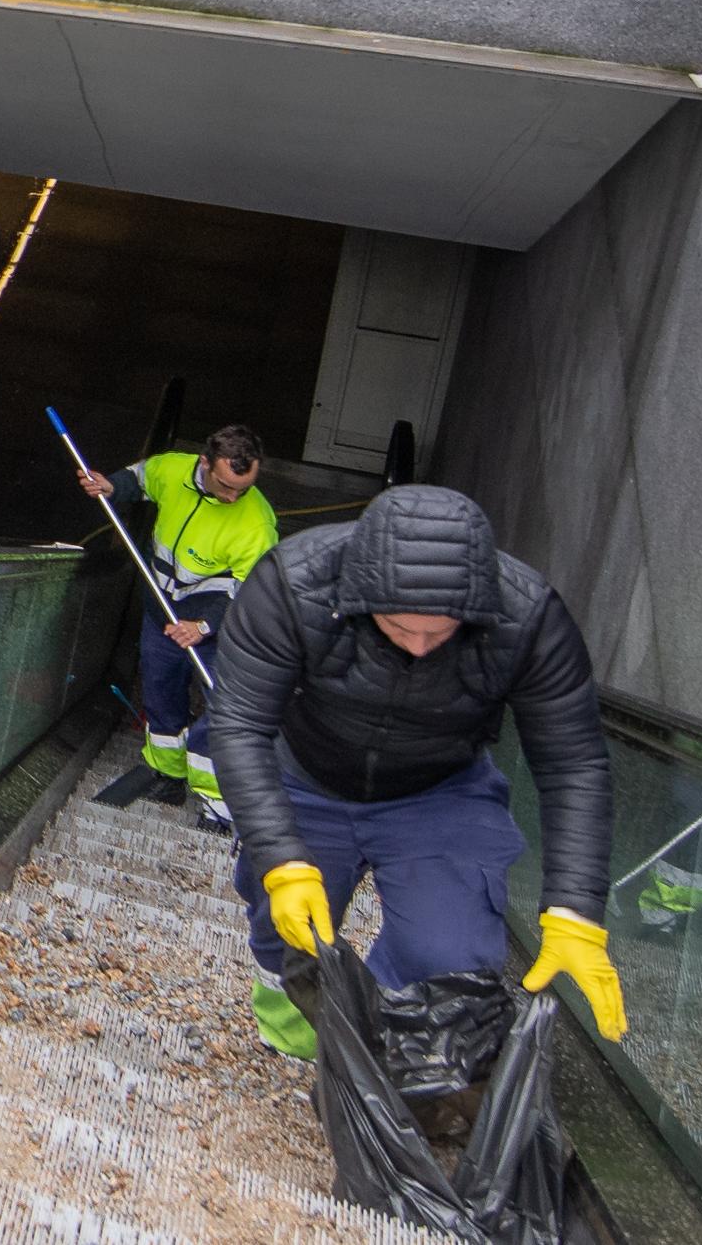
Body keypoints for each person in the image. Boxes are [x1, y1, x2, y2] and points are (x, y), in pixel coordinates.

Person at [210, 484, 625, 1073]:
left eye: (441, 631)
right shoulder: (291, 585)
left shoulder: (528, 617)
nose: (422, 646)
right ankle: (294, 1026)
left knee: (449, 956)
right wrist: (278, 857)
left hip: (440, 791)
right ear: (359, 597)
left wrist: (575, 908)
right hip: (306, 775)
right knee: (289, 929)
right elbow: (239, 724)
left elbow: (573, 761)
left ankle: (382, 1051)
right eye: (402, 628)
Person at [76, 426, 277, 821]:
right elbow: (139, 478)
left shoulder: (256, 523)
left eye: (244, 488)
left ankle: (219, 802)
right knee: (161, 690)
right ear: (204, 463)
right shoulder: (172, 469)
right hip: (162, 610)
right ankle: (166, 774)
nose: (233, 496)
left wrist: (204, 627)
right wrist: (111, 486)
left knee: (227, 705)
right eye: (225, 485)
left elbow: (249, 591)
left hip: (220, 623)